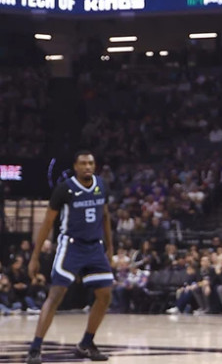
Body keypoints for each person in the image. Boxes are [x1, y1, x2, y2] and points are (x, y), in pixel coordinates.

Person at [27, 151, 114, 364]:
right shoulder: (64, 189)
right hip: (71, 246)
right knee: (56, 294)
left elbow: (105, 216)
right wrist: (35, 256)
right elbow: (47, 223)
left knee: (105, 295)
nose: (87, 166)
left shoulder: (102, 185)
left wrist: (110, 247)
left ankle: (86, 343)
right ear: (75, 166)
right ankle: (35, 348)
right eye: (83, 163)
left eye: (91, 163)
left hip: (95, 247)